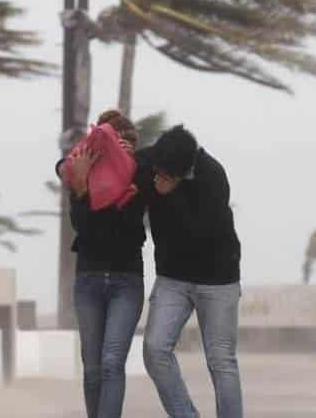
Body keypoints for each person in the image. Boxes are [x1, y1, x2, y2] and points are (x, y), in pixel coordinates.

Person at [137, 125, 243, 418]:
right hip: (173, 278)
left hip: (218, 278)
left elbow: (200, 235)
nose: (156, 176)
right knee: (155, 349)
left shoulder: (214, 176)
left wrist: (171, 194)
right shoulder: (156, 160)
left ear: (182, 172)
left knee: (221, 360)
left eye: (165, 174)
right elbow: (121, 165)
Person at [56, 109, 146, 418]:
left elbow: (132, 232)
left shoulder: (138, 179)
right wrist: (81, 187)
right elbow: (84, 228)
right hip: (89, 280)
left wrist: (127, 181)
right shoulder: (82, 177)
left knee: (111, 364)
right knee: (92, 368)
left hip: (126, 281)